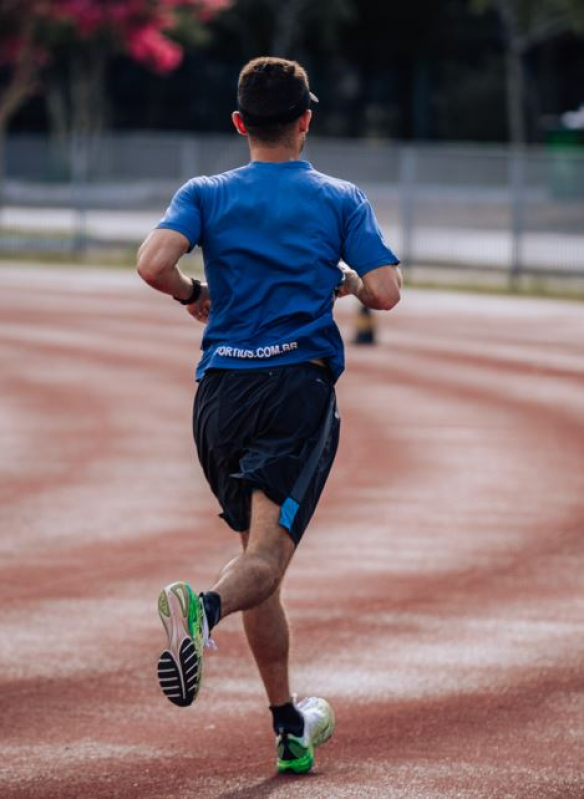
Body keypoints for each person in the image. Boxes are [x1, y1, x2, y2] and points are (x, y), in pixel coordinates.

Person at [137, 56, 402, 774]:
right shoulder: (339, 197)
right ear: (306, 121)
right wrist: (346, 282)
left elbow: (151, 263)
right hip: (295, 390)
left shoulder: (205, 191)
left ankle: (289, 725)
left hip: (218, 395)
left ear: (239, 123)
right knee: (259, 561)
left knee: (265, 563)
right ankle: (203, 608)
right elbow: (386, 292)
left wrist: (192, 289)